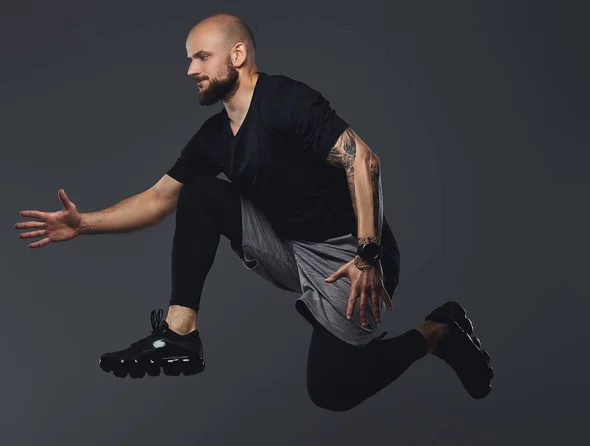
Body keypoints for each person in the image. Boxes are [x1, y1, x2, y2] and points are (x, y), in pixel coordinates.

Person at [15, 14, 493, 411]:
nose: (190, 70)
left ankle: (438, 332)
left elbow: (363, 160)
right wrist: (84, 224)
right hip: (289, 247)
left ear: (237, 55)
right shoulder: (214, 137)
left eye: (201, 57)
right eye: (188, 59)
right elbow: (160, 199)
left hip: (350, 256)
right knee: (199, 193)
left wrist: (368, 253)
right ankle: (180, 335)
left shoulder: (285, 101)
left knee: (331, 389)